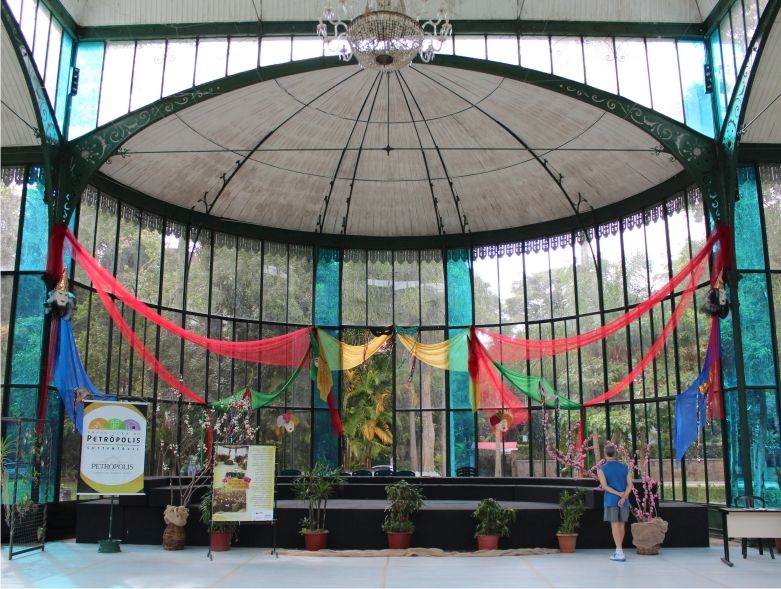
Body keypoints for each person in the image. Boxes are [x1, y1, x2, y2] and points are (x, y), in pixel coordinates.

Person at [597, 444, 633, 561]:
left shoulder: (601, 469)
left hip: (611, 500)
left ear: (605, 454)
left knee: (615, 524)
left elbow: (604, 486)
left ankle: (619, 551)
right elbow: (630, 485)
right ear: (616, 454)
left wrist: (618, 494)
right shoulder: (625, 467)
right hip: (624, 500)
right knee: (622, 524)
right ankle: (619, 550)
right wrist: (623, 496)